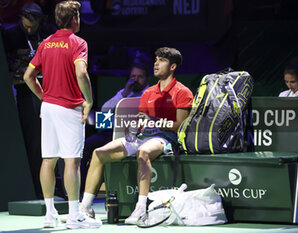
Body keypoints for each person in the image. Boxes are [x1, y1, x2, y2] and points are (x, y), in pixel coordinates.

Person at [80, 47, 194, 224]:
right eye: (155, 59)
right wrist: (133, 127)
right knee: (98, 153)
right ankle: (85, 207)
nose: (156, 63)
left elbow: (179, 126)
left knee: (143, 151)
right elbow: (142, 121)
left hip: (165, 138)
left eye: (161, 60)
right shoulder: (148, 93)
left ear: (172, 67)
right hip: (143, 136)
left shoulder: (182, 92)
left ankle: (140, 208)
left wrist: (154, 120)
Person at [23, 1, 102, 229]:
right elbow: (81, 73)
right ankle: (74, 215)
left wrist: (44, 97)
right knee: (72, 161)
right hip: (69, 108)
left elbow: (29, 76)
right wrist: (89, 100)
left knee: (48, 159)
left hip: (47, 108)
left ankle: (49, 215)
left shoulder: (45, 43)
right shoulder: (79, 43)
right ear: (75, 18)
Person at [1, 2, 57, 199]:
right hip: (25, 92)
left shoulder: (49, 34)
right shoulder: (10, 35)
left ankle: (54, 185)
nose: (29, 29)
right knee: (34, 141)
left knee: (51, 140)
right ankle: (36, 187)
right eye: (26, 26)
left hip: (50, 89)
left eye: (32, 27)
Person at [80, 61, 150, 195]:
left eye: (139, 77)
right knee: (86, 146)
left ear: (147, 78)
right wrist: (124, 94)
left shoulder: (149, 93)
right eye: (132, 76)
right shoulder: (124, 93)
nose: (135, 80)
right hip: (114, 131)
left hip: (137, 135)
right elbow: (104, 110)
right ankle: (81, 189)